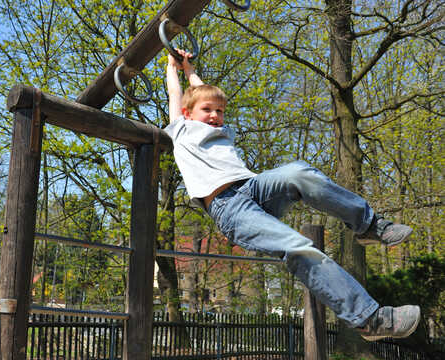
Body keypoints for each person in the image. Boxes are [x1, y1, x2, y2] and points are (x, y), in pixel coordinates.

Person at [163, 49, 420, 341]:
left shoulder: (221, 131)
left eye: (219, 111)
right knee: (298, 246)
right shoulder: (182, 130)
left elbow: (201, 93)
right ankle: (369, 319)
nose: (215, 116)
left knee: (299, 172)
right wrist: (174, 67)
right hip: (229, 208)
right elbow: (181, 96)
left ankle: (368, 225)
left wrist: (190, 69)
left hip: (253, 188)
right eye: (207, 110)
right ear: (187, 114)